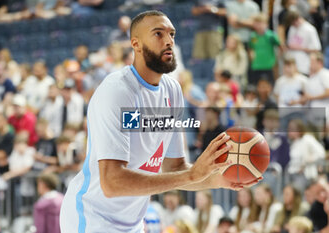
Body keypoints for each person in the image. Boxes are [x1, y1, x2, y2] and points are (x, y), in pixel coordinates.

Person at [60, 10, 260, 233]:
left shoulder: (172, 90)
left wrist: (218, 179)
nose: (168, 41)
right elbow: (112, 182)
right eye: (158, 34)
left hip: (132, 223)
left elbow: (175, 168)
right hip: (92, 217)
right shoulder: (117, 91)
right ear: (135, 44)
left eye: (172, 34)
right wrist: (193, 174)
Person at [248, 13, 280, 85]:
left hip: (269, 65)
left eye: (261, 23)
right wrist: (251, 56)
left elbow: (280, 46)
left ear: (266, 24)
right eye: (257, 23)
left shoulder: (271, 36)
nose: (259, 26)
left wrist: (276, 60)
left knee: (269, 84)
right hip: (256, 65)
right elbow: (251, 47)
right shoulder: (253, 36)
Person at [286, 10, 321, 75]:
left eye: (293, 23)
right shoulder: (292, 28)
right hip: (292, 64)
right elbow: (289, 44)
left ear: (297, 19)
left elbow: (317, 49)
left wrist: (300, 48)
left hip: (304, 65)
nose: (293, 25)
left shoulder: (310, 30)